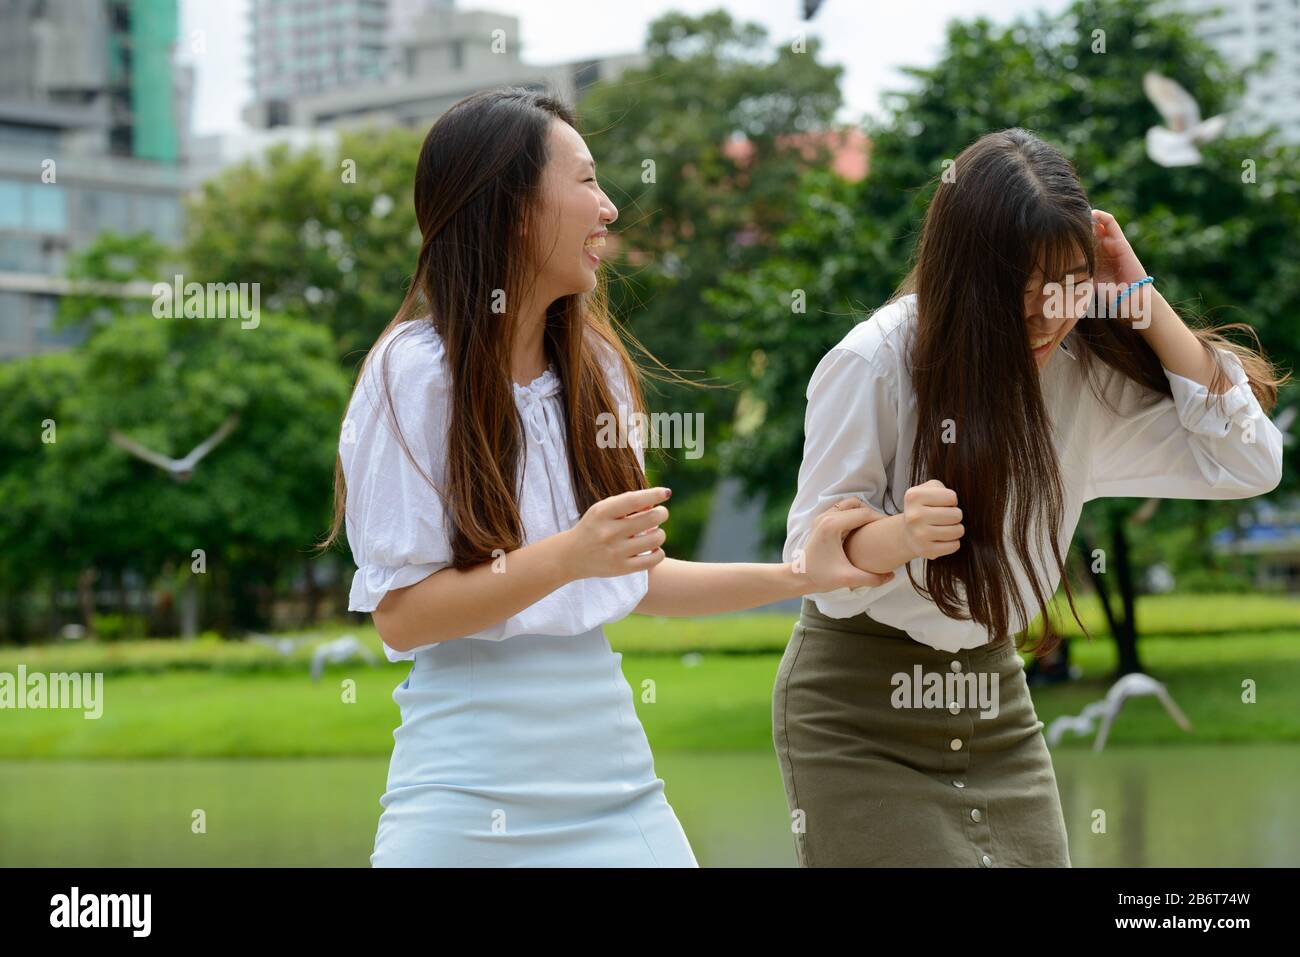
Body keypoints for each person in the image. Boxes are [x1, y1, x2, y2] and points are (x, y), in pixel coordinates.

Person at [320, 87, 893, 867]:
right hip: (462, 800)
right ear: (516, 209)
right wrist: (570, 554)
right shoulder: (411, 375)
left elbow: (636, 579)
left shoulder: (594, 370)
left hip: (617, 791)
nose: (610, 207)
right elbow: (404, 616)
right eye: (586, 181)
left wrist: (804, 573)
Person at [774, 127, 1287, 867]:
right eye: (1023, 291)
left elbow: (1250, 462)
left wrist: (1143, 300)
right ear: (966, 275)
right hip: (859, 714)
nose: (1049, 316)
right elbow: (810, 561)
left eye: (1069, 285)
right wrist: (900, 536)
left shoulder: (1079, 374)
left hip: (997, 704)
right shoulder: (873, 363)